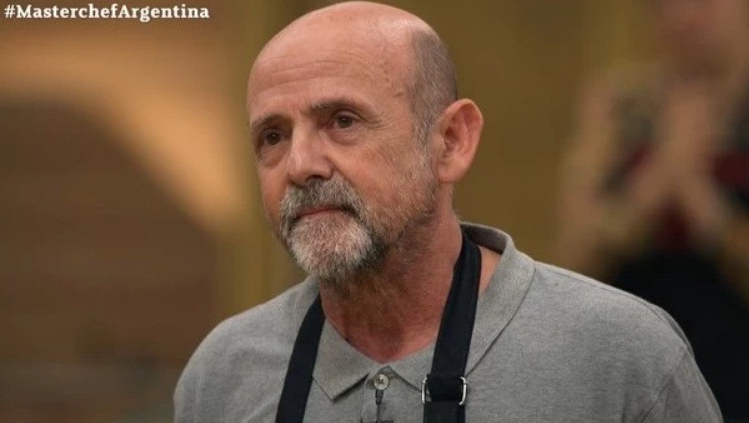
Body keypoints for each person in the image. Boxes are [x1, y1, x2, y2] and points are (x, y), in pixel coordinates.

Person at [175, 2, 721, 422]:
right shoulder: (224, 371)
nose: (300, 165)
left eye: (342, 121)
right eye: (273, 136)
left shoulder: (618, 354)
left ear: (451, 142)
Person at [557, 0, 749, 419]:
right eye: (662, 4)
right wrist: (658, 180)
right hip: (634, 376)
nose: (681, 16)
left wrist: (698, 197)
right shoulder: (620, 104)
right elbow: (575, 256)